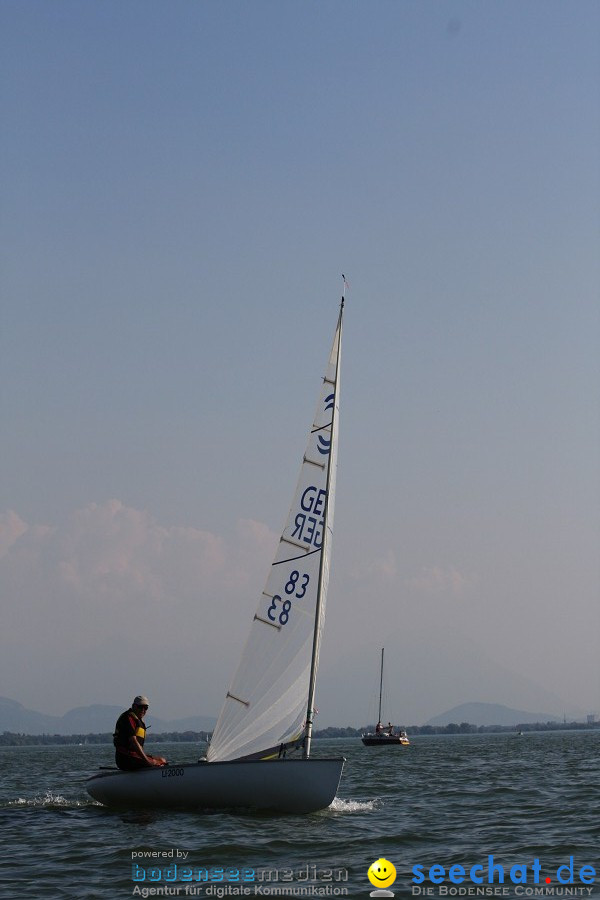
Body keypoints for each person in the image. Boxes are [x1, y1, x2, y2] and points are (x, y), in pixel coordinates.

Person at [113, 695, 167, 770]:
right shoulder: (127, 718)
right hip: (125, 759)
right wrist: (147, 761)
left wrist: (148, 759)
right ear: (133, 706)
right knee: (156, 763)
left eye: (145, 708)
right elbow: (133, 741)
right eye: (140, 707)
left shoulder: (138, 720)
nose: (143, 710)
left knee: (162, 760)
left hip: (134, 756)